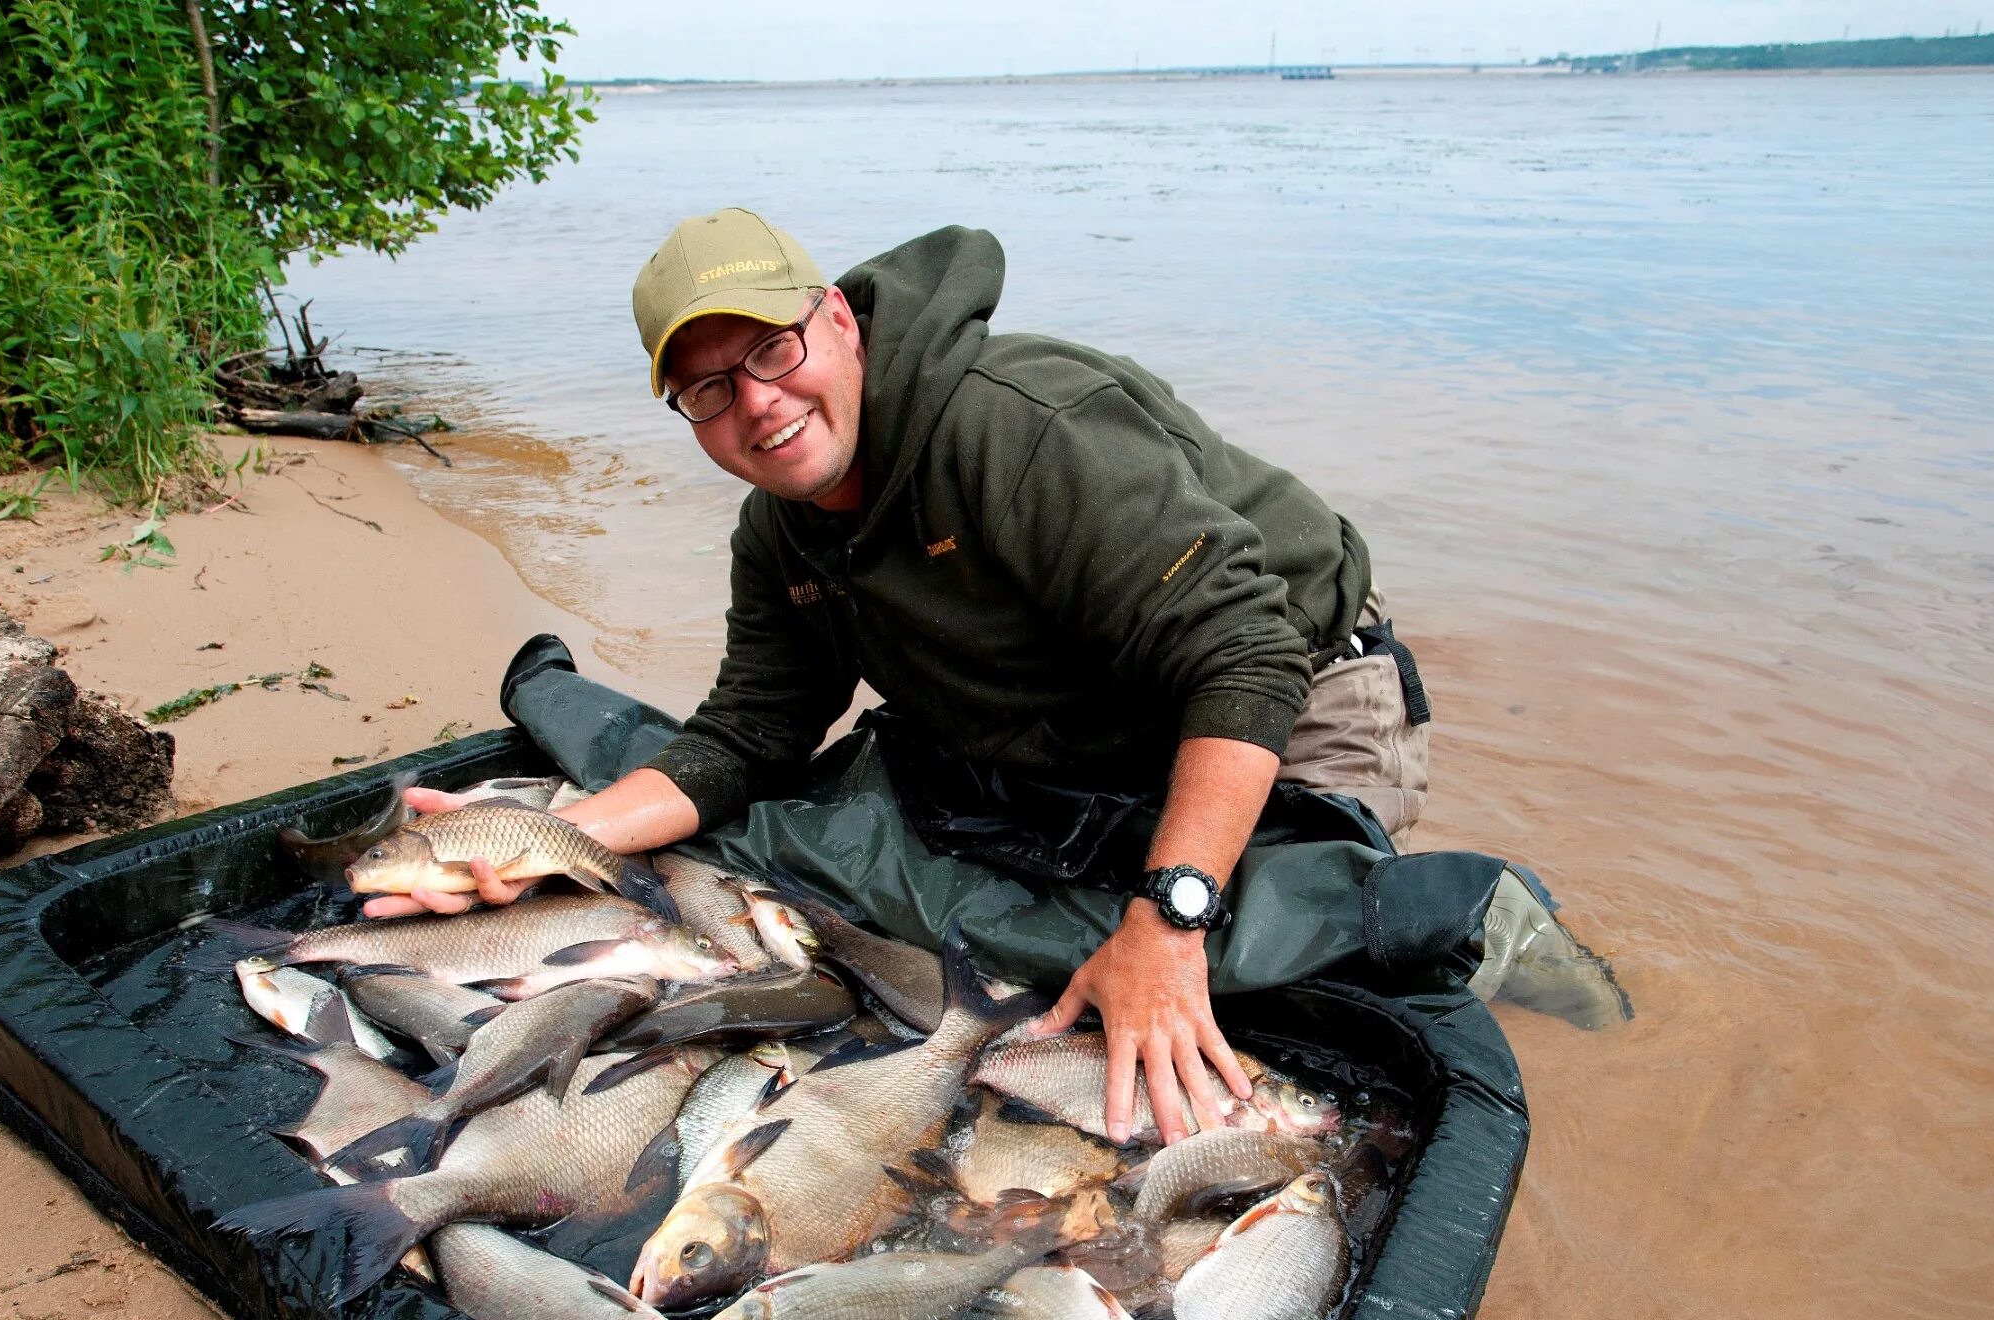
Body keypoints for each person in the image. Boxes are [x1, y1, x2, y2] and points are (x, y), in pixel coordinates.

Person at [369, 208, 1437, 1145]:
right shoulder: (776, 534)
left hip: (1288, 696)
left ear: (839, 319)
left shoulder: (1015, 425)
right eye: (708, 388)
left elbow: (1240, 653)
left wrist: (1168, 915)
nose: (757, 404)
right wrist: (560, 837)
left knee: (1288, 978)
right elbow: (748, 732)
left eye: (774, 350)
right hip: (1073, 734)